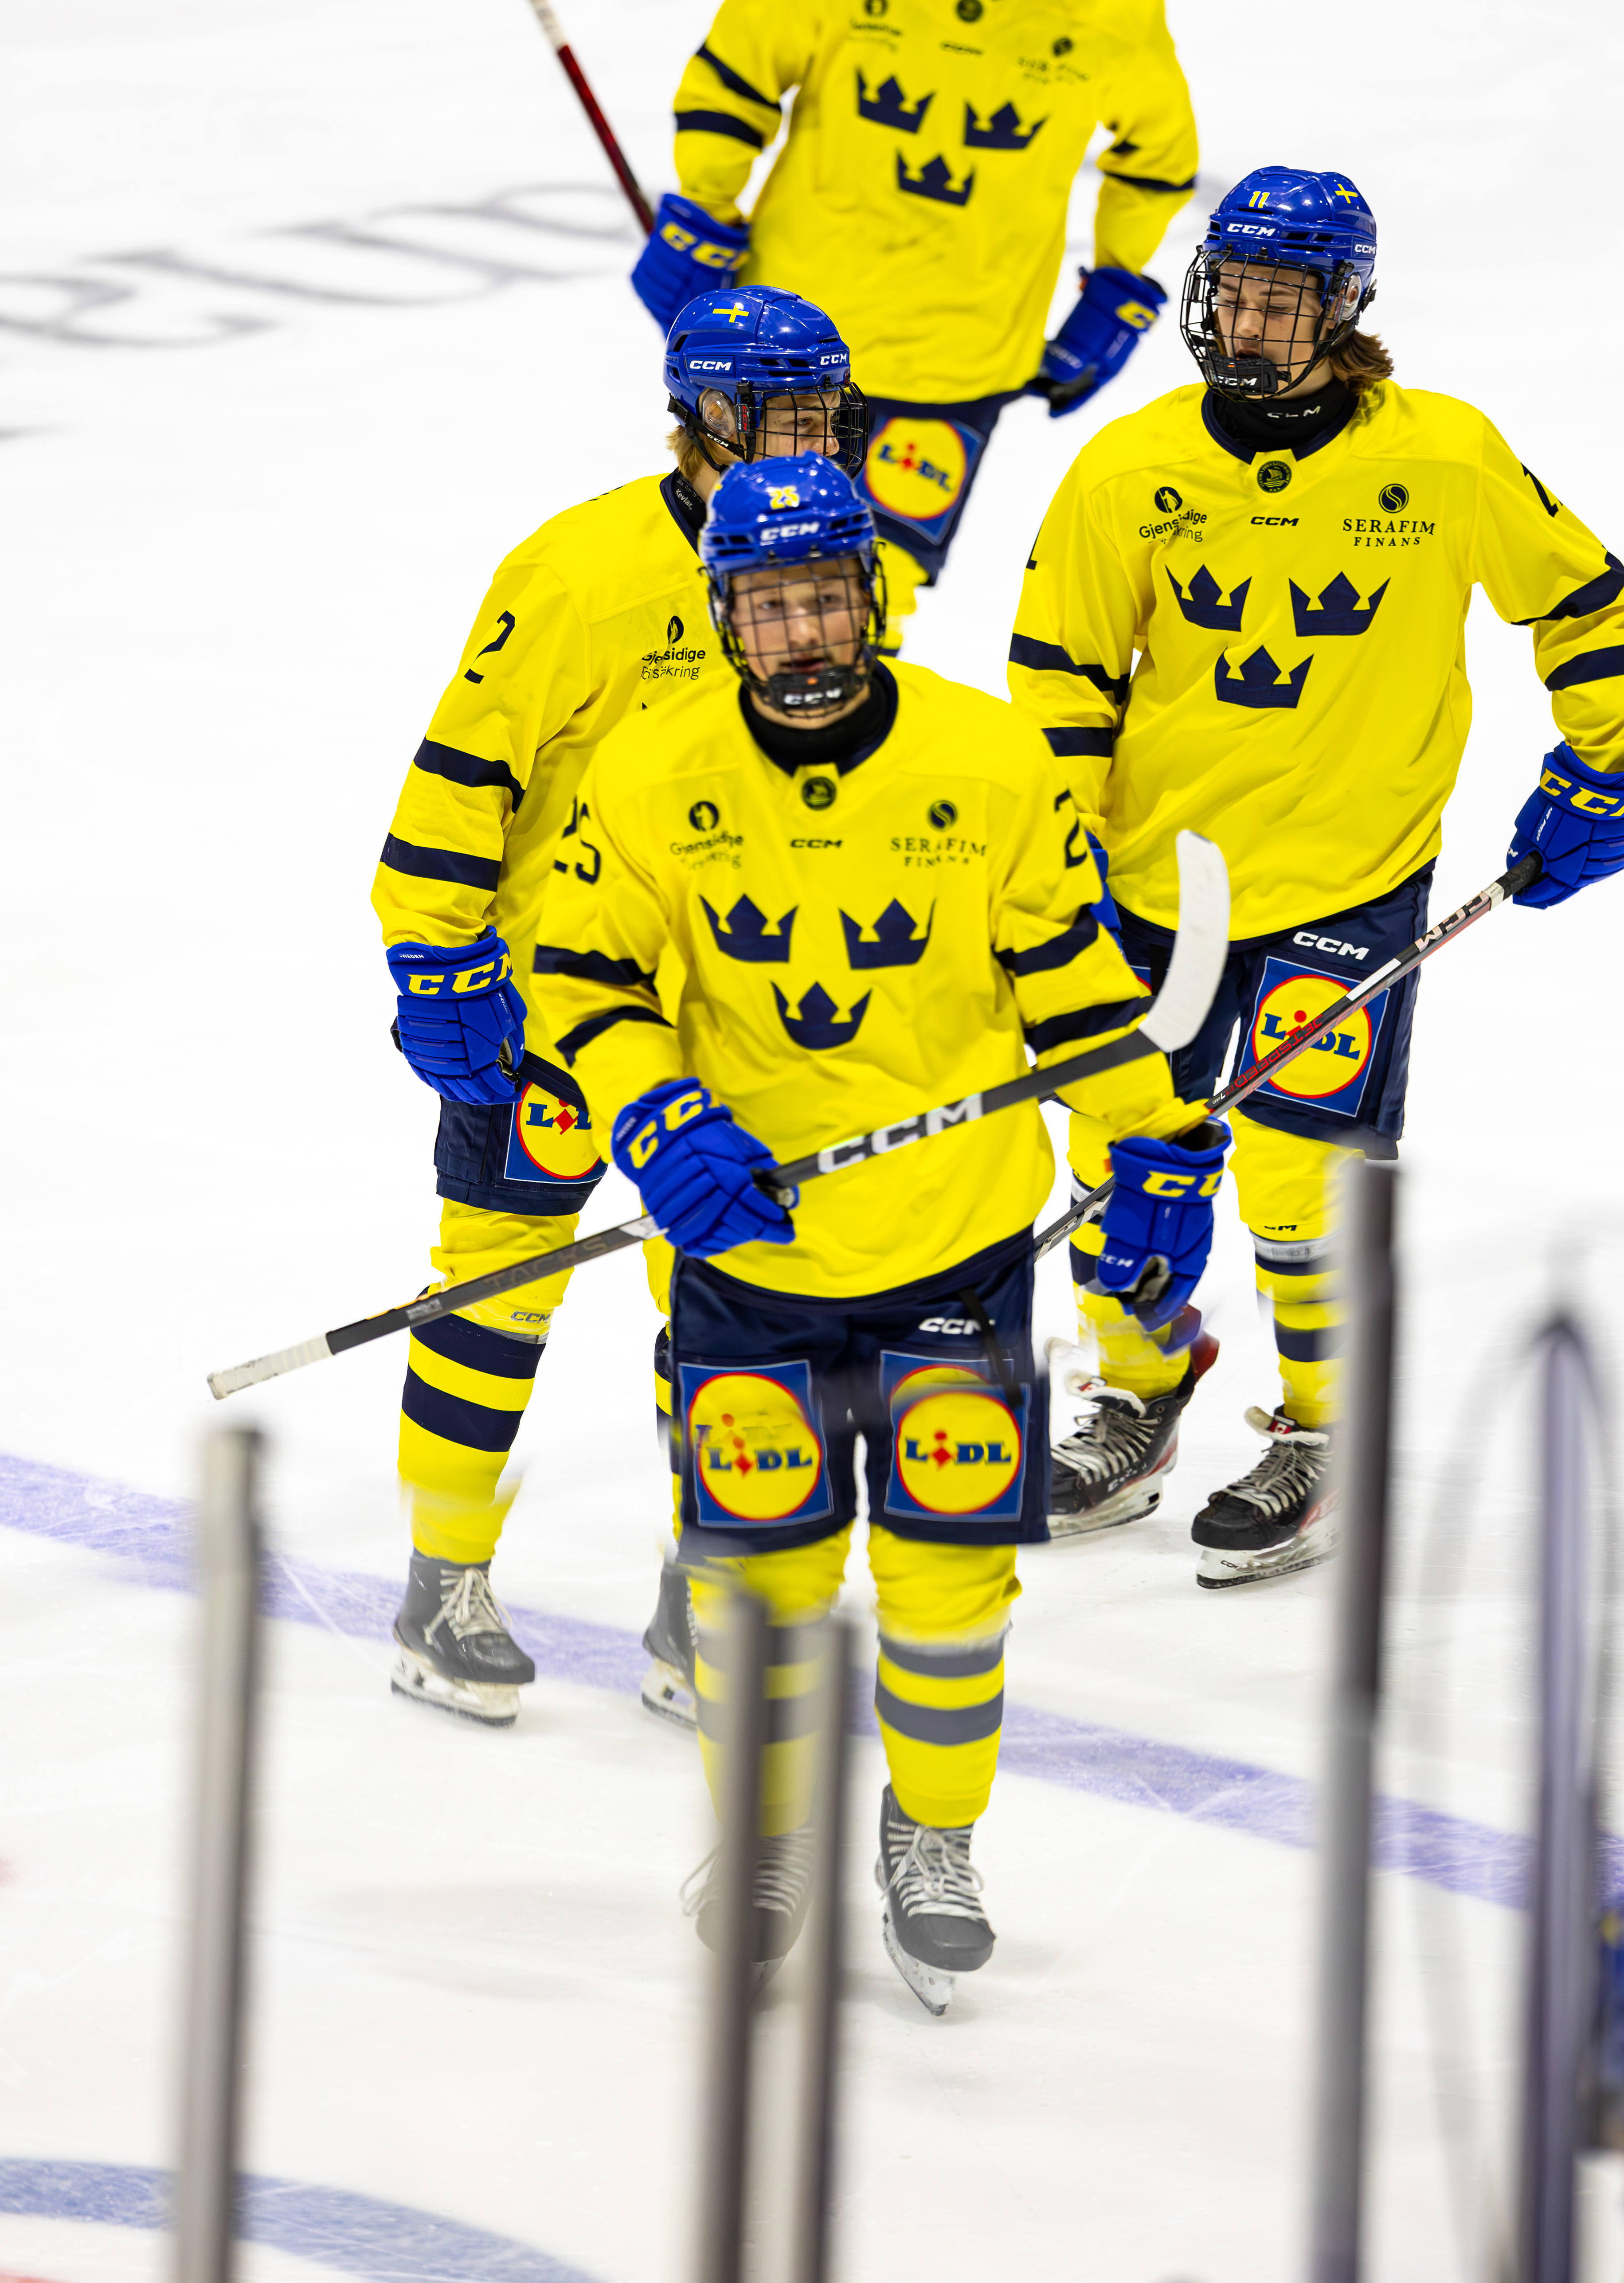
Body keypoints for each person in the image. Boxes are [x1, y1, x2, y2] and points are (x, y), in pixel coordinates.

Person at [530, 452, 1220, 2008]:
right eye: (770, 606)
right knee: (751, 1580)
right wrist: (658, 1120)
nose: (803, 634)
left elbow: (1074, 989)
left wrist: (1157, 1138)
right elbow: (582, 977)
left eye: (827, 598)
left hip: (959, 1255)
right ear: (726, 615)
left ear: (874, 595)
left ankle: (935, 1833)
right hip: (749, 1267)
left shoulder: (990, 762)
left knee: (950, 1588)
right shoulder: (649, 771)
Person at [1008, 164, 1624, 1587]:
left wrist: (1608, 759)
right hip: (1158, 884)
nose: (1253, 322)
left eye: (1285, 301)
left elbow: (1587, 603)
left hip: (1350, 881)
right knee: (1122, 1154)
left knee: (1301, 1175)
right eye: (1235, 292)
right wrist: (1048, 862)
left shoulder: (1444, 458)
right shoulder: (1130, 469)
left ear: (1344, 308)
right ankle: (1139, 1398)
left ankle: (1322, 1433)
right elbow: (1060, 678)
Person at [372, 286, 866, 1725]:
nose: (812, 443)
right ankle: (443, 1583)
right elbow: (462, 775)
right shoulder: (580, 573)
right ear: (707, 417)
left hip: (734, 1010)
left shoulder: (831, 562)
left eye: (825, 415)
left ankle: (703, 1602)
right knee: (495, 1286)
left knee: (733, 1309)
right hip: (550, 1005)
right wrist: (436, 957)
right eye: (782, 416)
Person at [628, 0, 1197, 637]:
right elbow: (733, 76)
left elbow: (1157, 156)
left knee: (864, 606)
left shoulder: (1112, 5)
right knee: (727, 576)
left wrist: (1118, 283)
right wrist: (707, 211)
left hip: (961, 361)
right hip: (788, 340)